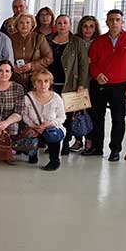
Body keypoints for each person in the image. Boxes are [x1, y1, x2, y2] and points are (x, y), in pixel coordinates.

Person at [84, 9, 126, 162]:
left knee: (118, 119)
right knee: (97, 117)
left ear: (122, 22)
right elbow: (91, 63)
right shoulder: (99, 41)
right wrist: (97, 75)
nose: (114, 22)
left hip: (120, 86)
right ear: (107, 22)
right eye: (111, 19)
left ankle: (115, 150)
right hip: (100, 85)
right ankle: (97, 147)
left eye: (117, 19)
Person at [46, 14, 89, 155]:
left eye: (65, 23)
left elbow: (83, 65)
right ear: (55, 25)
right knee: (51, 114)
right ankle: (52, 141)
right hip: (50, 84)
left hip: (70, 85)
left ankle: (65, 142)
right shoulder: (48, 40)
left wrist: (82, 84)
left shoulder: (77, 42)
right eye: (59, 23)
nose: (62, 25)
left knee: (67, 117)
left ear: (70, 25)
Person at [22, 70, 66, 171]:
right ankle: (32, 154)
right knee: (29, 136)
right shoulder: (28, 98)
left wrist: (49, 124)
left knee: (52, 134)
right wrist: (33, 126)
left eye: (46, 81)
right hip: (34, 127)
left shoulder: (56, 98)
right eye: (39, 81)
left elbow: (62, 117)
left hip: (51, 128)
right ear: (34, 83)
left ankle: (54, 161)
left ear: (50, 83)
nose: (43, 84)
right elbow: (24, 115)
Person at [69, 15, 101, 152]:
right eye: (85, 26)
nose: (88, 29)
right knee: (76, 113)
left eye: (91, 26)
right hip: (78, 82)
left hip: (93, 82)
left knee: (91, 113)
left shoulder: (99, 42)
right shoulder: (75, 41)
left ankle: (89, 139)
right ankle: (78, 139)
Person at [9, 13, 53, 88]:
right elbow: (4, 57)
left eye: (27, 22)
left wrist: (32, 66)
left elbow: (49, 58)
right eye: (21, 23)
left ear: (32, 25)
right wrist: (12, 66)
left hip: (35, 80)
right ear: (17, 25)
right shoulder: (10, 39)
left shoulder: (39, 38)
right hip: (14, 79)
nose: (24, 25)